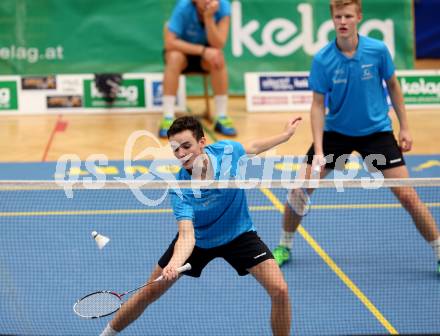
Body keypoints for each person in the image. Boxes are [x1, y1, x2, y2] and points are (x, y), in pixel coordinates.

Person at [272, 0, 440, 275]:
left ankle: (439, 251)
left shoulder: (377, 51)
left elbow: (394, 86)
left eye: (348, 15)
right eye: (338, 16)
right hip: (336, 133)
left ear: (358, 17)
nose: (343, 21)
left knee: (408, 196)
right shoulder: (323, 59)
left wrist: (405, 127)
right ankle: (284, 245)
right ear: (332, 19)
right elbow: (317, 105)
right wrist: (320, 148)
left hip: (377, 133)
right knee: (298, 191)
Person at [100, 115, 302, 336]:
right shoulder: (180, 187)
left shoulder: (227, 152)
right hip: (199, 239)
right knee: (149, 292)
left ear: (202, 142)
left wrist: (285, 135)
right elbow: (186, 236)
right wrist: (174, 264)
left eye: (186, 146)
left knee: (280, 290)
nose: (181, 154)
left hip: (239, 234)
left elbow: (252, 146)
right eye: (175, 149)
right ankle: (106, 334)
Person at [159, 0, 236, 138]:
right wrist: (202, 50)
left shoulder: (223, 6)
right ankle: (167, 117)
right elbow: (170, 42)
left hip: (206, 55)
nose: (208, 1)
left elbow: (219, 43)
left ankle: (221, 116)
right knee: (174, 57)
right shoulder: (183, 7)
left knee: (218, 57)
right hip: (182, 51)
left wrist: (209, 18)